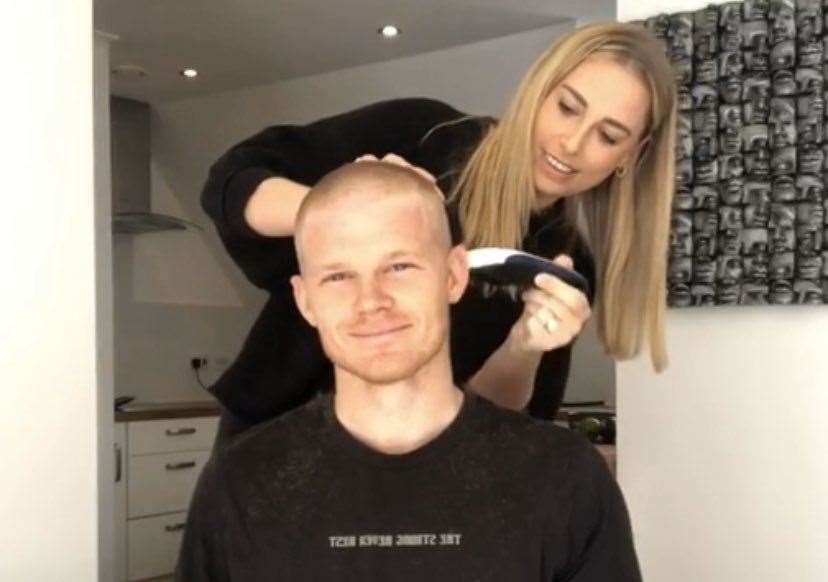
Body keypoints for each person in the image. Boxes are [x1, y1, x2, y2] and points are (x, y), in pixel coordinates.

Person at [201, 22, 677, 440]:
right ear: (538, 90)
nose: (572, 143)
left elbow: (497, 424)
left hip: (415, 482)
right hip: (274, 436)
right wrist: (348, 206)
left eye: (608, 136)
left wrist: (523, 347)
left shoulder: (566, 266)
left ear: (631, 155)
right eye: (568, 108)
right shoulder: (425, 134)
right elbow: (232, 182)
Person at [176, 162, 642, 581]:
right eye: (338, 276)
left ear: (454, 276)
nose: (371, 300)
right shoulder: (240, 482)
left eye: (398, 266)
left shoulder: (565, 476)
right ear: (305, 299)